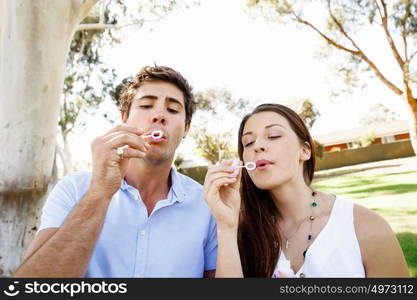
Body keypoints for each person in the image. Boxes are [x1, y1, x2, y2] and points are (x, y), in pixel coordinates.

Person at [13, 66, 217, 278]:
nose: (159, 115)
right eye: (146, 105)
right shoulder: (74, 189)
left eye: (173, 110)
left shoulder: (206, 206)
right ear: (124, 118)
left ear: (186, 129)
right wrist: (100, 192)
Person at [203, 103, 409, 278]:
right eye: (248, 142)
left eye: (273, 136)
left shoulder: (365, 227)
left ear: (305, 150)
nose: (257, 146)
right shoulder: (241, 231)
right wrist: (226, 227)